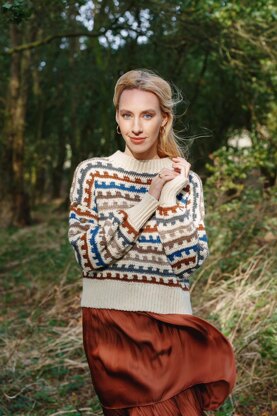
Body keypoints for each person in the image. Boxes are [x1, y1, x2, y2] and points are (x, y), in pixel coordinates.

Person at [68, 68, 236, 416]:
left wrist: (170, 197)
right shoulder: (92, 173)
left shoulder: (186, 181)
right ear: (117, 118)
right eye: (127, 114)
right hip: (110, 326)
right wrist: (150, 199)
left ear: (164, 119)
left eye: (147, 115)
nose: (136, 126)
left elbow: (187, 259)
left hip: (169, 322)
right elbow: (89, 255)